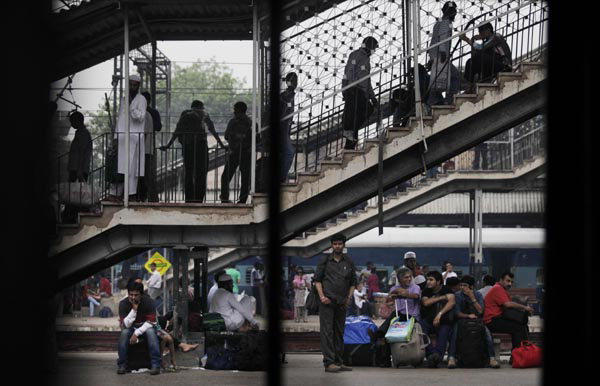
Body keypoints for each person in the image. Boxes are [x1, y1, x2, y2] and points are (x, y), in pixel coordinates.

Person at [160, 100, 226, 202]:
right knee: (201, 174)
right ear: (201, 107)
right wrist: (221, 145)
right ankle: (199, 198)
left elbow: (177, 131)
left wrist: (168, 145)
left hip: (188, 148)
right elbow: (213, 131)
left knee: (189, 173)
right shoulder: (204, 115)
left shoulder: (185, 115)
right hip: (201, 148)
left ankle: (189, 198)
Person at [314, 233, 358, 373]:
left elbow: (353, 283)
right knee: (327, 332)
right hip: (327, 302)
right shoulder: (325, 261)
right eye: (335, 244)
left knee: (339, 332)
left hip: (341, 303)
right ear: (332, 245)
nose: (337, 246)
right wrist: (322, 297)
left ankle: (339, 361)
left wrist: (348, 298)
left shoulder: (349, 262)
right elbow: (317, 281)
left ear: (343, 245)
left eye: (339, 244)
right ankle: (329, 363)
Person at [447, 275, 500, 369]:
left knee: (487, 334)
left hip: (477, 322)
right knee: (455, 333)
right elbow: (457, 313)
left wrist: (472, 298)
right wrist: (468, 316)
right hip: (462, 321)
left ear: (471, 287)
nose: (462, 287)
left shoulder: (478, 294)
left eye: (465, 285)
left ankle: (492, 358)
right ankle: (451, 357)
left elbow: (480, 311)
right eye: (461, 285)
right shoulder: (458, 295)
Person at [111, 74, 146, 201]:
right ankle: (115, 194)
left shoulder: (141, 99)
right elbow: (120, 119)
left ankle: (131, 195)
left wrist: (131, 107)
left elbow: (140, 117)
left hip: (134, 139)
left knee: (131, 170)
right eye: (130, 84)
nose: (132, 86)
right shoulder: (124, 99)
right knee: (119, 168)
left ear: (138, 86)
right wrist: (115, 137)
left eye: (134, 84)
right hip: (122, 139)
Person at [341, 36, 379, 150]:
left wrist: (373, 97)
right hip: (354, 89)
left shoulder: (366, 59)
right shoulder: (356, 55)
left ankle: (349, 146)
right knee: (365, 110)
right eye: (374, 47)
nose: (374, 51)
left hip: (361, 91)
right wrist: (347, 88)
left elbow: (367, 80)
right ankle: (349, 132)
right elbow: (349, 71)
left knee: (359, 115)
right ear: (369, 45)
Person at [117, 281, 161, 375]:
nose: (133, 297)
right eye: (131, 294)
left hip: (146, 326)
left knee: (151, 332)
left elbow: (151, 322)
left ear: (141, 294)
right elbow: (126, 325)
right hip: (131, 327)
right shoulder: (123, 304)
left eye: (136, 295)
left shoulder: (149, 302)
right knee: (124, 333)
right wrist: (134, 309)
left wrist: (136, 333)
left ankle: (156, 365)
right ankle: (122, 364)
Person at [484, 272, 533, 355]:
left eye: (511, 282)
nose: (510, 284)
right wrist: (524, 308)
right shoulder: (497, 289)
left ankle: (521, 353)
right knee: (518, 328)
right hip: (492, 321)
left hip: (497, 318)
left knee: (521, 326)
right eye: (508, 281)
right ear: (501, 280)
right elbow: (508, 304)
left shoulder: (500, 289)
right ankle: (517, 355)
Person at [368, 267, 421, 341]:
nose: (409, 279)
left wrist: (403, 294)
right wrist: (398, 292)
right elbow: (390, 297)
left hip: (412, 315)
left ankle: (378, 334)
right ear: (400, 279)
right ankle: (379, 336)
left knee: (395, 316)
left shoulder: (415, 287)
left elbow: (415, 295)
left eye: (410, 277)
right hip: (399, 314)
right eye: (406, 277)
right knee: (393, 317)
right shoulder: (394, 288)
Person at [427, 1, 460, 107]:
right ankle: (449, 100)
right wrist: (443, 52)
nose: (455, 14)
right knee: (455, 76)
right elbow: (443, 38)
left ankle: (430, 103)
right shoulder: (446, 22)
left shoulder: (438, 23)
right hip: (441, 56)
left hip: (435, 56)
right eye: (453, 11)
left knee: (436, 81)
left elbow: (433, 41)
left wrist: (431, 57)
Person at [420, 271, 456, 368]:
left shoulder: (447, 289)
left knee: (444, 332)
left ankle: (436, 357)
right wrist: (442, 298)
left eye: (431, 280)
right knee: (421, 330)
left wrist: (439, 314)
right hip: (428, 321)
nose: (428, 282)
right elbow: (426, 303)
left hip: (443, 321)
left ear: (439, 282)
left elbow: (451, 302)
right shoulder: (426, 290)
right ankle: (432, 354)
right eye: (427, 279)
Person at [460, 22, 512, 87]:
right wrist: (473, 40)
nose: (480, 34)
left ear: (488, 30)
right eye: (480, 32)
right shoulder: (487, 41)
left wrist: (467, 40)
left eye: (482, 32)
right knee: (470, 62)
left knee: (479, 56)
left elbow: (481, 48)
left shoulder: (496, 37)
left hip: (503, 65)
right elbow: (476, 53)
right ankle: (470, 85)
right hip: (493, 64)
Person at [220, 101, 252, 204]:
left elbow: (226, 135)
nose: (234, 111)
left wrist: (234, 138)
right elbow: (255, 138)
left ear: (238, 110)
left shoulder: (233, 122)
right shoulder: (250, 122)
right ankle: (242, 200)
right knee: (245, 177)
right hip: (246, 152)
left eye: (235, 109)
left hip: (235, 152)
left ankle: (225, 198)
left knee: (226, 176)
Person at [139, 92, 159, 202]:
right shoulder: (152, 113)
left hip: (143, 148)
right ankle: (149, 197)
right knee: (148, 174)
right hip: (149, 147)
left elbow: (144, 133)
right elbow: (158, 127)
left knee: (143, 174)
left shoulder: (145, 114)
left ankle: (142, 196)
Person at [280, 72, 298, 182]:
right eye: (292, 80)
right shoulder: (285, 96)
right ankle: (282, 177)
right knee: (289, 152)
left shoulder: (290, 95)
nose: (294, 83)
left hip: (286, 128)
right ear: (287, 82)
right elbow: (282, 112)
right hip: (282, 128)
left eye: (295, 80)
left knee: (285, 152)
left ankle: (283, 175)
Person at [67, 111, 92, 183]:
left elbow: (82, 152)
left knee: (75, 191)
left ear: (78, 121)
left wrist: (79, 170)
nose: (71, 124)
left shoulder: (83, 133)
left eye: (72, 121)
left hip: (78, 169)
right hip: (76, 168)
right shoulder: (80, 132)